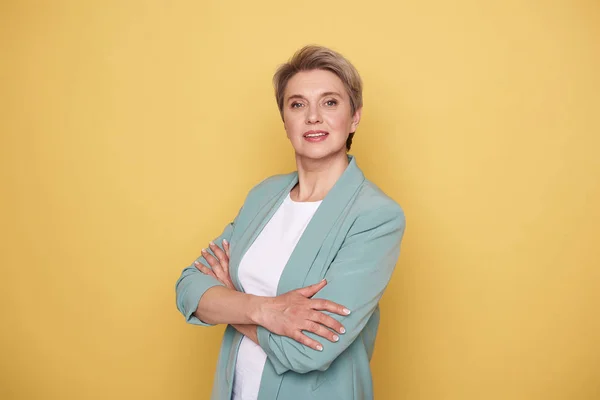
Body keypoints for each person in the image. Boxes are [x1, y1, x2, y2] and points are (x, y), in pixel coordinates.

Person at [175, 45, 406, 400]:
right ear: (285, 121)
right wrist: (264, 309)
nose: (313, 116)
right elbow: (189, 288)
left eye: (330, 102)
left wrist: (229, 302)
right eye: (298, 104)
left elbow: (308, 349)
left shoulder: (375, 216)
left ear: (355, 117)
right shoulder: (264, 196)